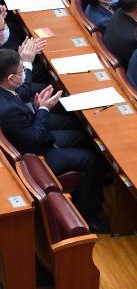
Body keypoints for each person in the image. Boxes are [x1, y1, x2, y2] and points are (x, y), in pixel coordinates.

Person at [0, 49, 107, 231]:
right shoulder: (8, 109)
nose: (24, 73)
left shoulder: (6, 90)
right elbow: (34, 140)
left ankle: (96, 183)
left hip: (32, 137)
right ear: (10, 78)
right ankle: (88, 212)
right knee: (89, 159)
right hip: (35, 156)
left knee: (80, 137)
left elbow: (21, 99)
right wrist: (43, 109)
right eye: (21, 71)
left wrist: (35, 107)